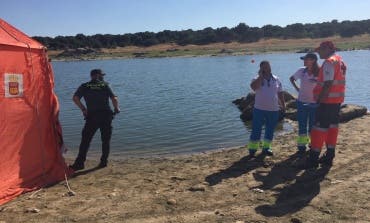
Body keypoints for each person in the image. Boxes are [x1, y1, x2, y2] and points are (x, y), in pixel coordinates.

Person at [304, 41, 346, 169]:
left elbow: (327, 84)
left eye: (320, 50)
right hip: (336, 102)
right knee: (332, 128)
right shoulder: (340, 60)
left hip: (326, 102)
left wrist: (319, 101)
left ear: (327, 48)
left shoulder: (329, 62)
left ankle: (313, 160)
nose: (318, 52)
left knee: (318, 130)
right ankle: (329, 156)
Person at [70, 69, 120, 171]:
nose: (103, 77)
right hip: (106, 116)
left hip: (92, 117)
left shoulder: (85, 86)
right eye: (102, 75)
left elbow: (75, 98)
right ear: (97, 75)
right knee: (105, 140)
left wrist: (84, 109)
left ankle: (79, 164)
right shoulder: (105, 85)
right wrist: (116, 108)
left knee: (85, 141)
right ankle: (103, 162)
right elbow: (114, 98)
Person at [248, 61, 286, 157]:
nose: (266, 68)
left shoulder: (276, 79)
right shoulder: (256, 79)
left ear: (270, 67)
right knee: (256, 129)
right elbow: (253, 88)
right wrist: (260, 76)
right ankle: (252, 149)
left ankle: (266, 148)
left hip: (273, 109)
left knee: (270, 130)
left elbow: (280, 93)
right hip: (259, 109)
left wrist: (283, 105)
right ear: (260, 68)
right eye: (263, 67)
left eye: (267, 66)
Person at [290, 52, 320, 153]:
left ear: (313, 60)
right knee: (302, 126)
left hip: (314, 104)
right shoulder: (301, 71)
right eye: (304, 59)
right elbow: (292, 79)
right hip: (301, 103)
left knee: (313, 126)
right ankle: (302, 146)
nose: (304, 61)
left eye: (306, 59)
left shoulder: (320, 72)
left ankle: (312, 144)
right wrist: (297, 88)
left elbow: (325, 85)